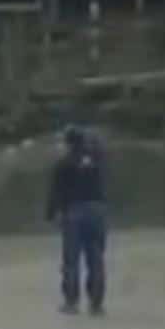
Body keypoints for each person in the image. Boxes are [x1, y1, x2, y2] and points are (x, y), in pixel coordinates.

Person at [46, 125, 107, 316]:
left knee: (71, 259)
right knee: (96, 258)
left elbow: (56, 191)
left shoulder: (63, 163)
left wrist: (50, 213)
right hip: (97, 211)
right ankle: (96, 303)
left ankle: (71, 302)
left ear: (68, 143)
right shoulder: (95, 161)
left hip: (74, 212)